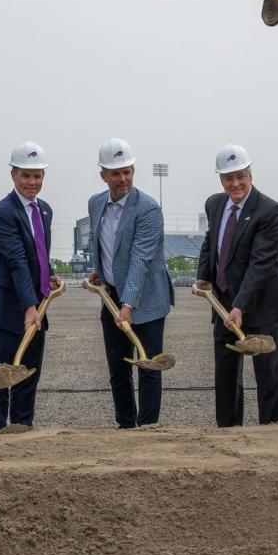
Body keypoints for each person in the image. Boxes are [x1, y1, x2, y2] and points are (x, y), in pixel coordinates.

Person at [196, 144, 278, 427]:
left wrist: (240, 306)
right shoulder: (214, 204)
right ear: (220, 179)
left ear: (250, 174)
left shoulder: (269, 211)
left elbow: (261, 264)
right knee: (225, 373)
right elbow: (212, 241)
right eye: (228, 178)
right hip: (223, 302)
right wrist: (204, 275)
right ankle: (228, 431)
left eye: (240, 176)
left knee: (267, 375)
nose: (235, 184)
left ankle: (271, 431)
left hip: (261, 304)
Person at [86, 138, 174, 429]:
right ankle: (125, 427)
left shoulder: (147, 209)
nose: (123, 178)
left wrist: (128, 304)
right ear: (103, 175)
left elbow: (141, 259)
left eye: (127, 171)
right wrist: (102, 270)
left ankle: (147, 428)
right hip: (111, 299)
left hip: (146, 300)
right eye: (115, 173)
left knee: (148, 366)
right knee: (119, 368)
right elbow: (102, 243)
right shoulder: (96, 203)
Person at [0, 141, 61, 431]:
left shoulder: (45, 211)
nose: (32, 182)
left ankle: (22, 429)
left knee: (27, 373)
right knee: (0, 374)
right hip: (4, 309)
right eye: (26, 175)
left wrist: (48, 276)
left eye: (37, 175)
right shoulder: (2, 213)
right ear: (13, 175)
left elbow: (37, 254)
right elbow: (16, 260)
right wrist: (29, 306)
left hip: (35, 306)